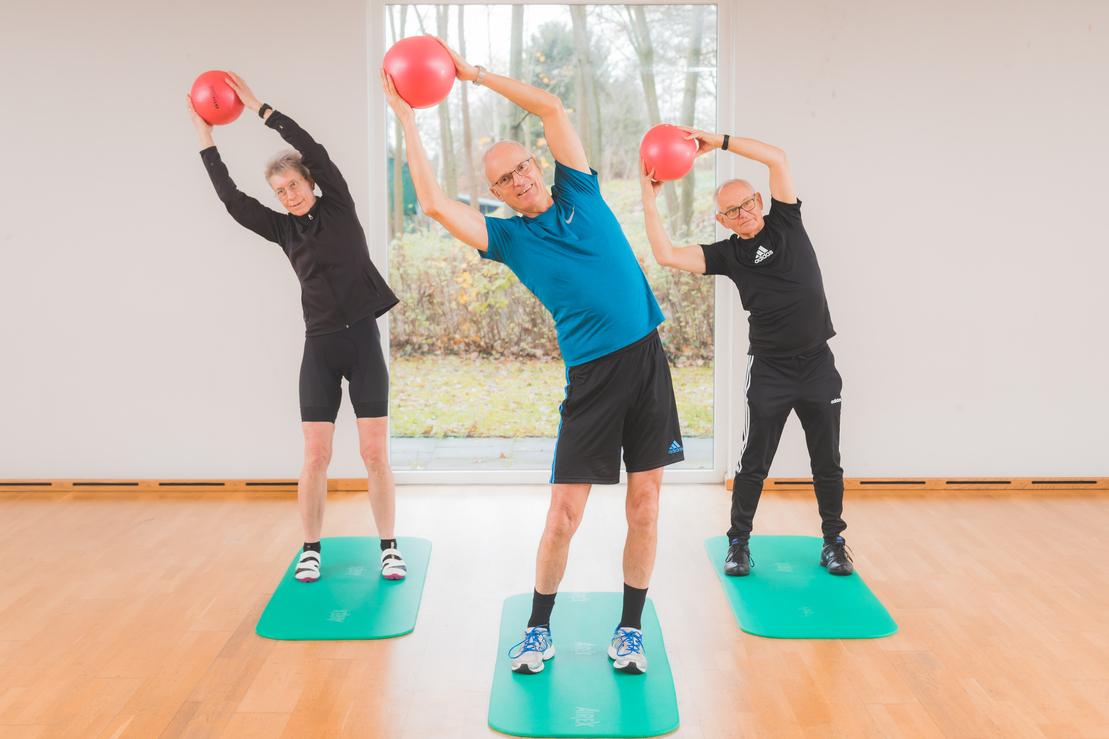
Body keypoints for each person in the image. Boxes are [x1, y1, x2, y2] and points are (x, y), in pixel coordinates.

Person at [382, 39, 684, 674]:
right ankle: (538, 630)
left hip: (647, 365)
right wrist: (408, 120)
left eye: (522, 166)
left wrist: (473, 75)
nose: (519, 179)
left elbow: (550, 107)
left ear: (536, 166)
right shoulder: (510, 239)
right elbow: (435, 205)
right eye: (503, 179)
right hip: (593, 379)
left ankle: (630, 628)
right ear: (497, 193)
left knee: (646, 504)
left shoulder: (582, 190)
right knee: (563, 515)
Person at [186, 72, 407, 583]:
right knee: (316, 455)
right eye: (279, 190)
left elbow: (312, 147)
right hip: (321, 348)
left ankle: (389, 548)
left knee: (375, 452)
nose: (287, 195)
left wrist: (261, 108)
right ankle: (311, 548)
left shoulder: (339, 206)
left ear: (310, 183)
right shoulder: (284, 230)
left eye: (292, 185)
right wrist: (205, 137)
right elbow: (233, 201)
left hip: (362, 343)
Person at [639, 128, 854, 577]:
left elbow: (777, 157)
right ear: (722, 221)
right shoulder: (727, 255)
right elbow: (664, 255)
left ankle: (834, 541)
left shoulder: (786, 221)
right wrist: (648, 194)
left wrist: (720, 141)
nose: (744, 214)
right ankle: (738, 543)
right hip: (771, 371)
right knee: (753, 461)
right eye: (732, 212)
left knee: (826, 460)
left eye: (747, 204)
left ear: (760, 200)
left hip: (818, 364)